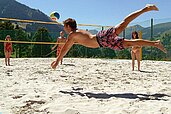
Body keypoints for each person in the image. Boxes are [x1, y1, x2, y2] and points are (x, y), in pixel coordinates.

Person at [51, 4, 167, 69]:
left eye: (65, 27)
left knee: (123, 24)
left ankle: (146, 9)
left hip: (102, 38)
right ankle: (155, 43)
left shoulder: (72, 35)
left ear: (68, 26)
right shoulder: (76, 33)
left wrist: (57, 61)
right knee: (129, 43)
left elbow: (65, 48)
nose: (64, 29)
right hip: (104, 43)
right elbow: (66, 48)